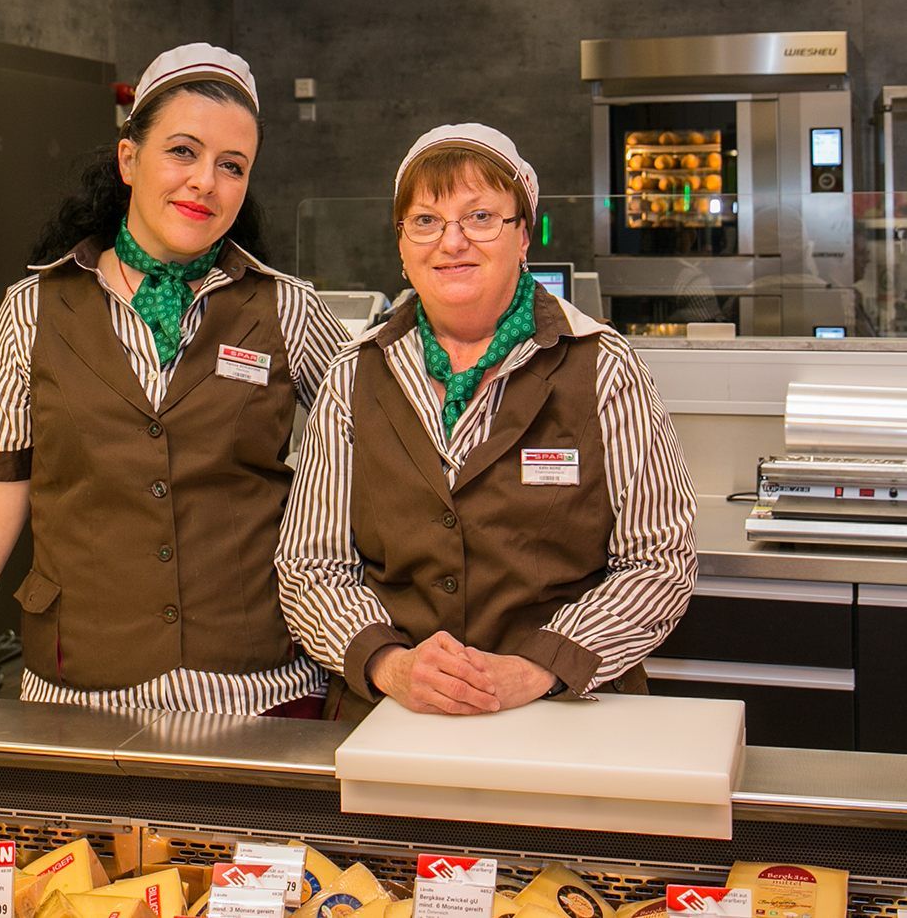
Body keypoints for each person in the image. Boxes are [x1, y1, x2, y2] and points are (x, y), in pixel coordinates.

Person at [0, 44, 348, 715]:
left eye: (232, 166)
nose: (205, 183)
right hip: (76, 695)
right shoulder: (34, 309)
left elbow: (386, 454)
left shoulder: (285, 309)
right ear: (129, 158)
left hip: (258, 694)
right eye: (182, 152)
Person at [275, 123, 696, 723]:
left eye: (479, 218)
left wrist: (538, 667)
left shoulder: (603, 367)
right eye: (426, 221)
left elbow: (660, 559)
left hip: (569, 717)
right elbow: (310, 566)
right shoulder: (353, 377)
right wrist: (391, 664)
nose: (452, 243)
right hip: (392, 717)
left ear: (523, 235)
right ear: (401, 244)